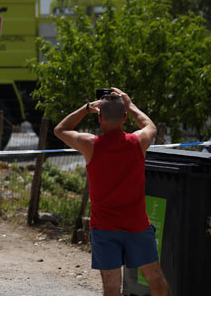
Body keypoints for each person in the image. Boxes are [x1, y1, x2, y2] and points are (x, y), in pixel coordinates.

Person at [53, 87, 170, 296]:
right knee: (156, 279)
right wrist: (130, 104)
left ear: (100, 119)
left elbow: (60, 130)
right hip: (137, 225)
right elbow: (149, 125)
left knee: (111, 287)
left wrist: (87, 108)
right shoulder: (137, 142)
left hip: (104, 227)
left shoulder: (90, 145)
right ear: (124, 117)